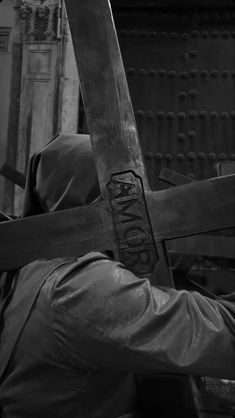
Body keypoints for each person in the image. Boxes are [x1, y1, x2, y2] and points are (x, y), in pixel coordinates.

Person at [0, 133, 234, 418]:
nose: (145, 204)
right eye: (128, 194)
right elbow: (221, 335)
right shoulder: (79, 287)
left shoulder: (28, 270)